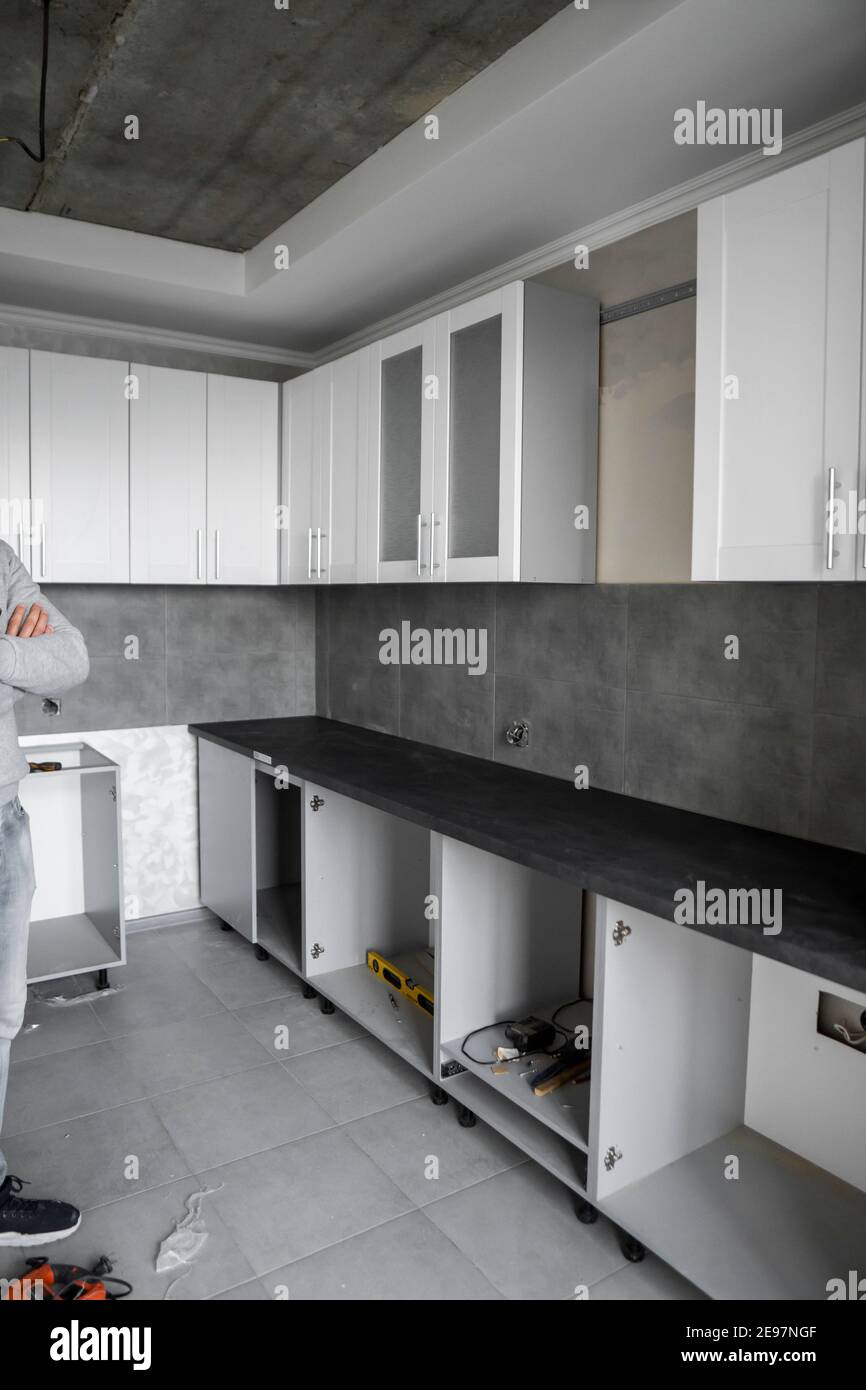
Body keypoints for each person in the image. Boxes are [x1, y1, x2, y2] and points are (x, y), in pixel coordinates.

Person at [0, 537, 89, 1246]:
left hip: (2, 815)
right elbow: (35, 670)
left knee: (2, 1012)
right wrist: (10, 662)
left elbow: (71, 661)